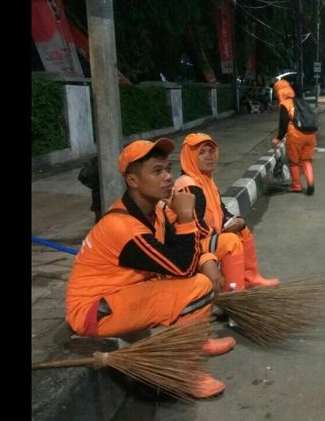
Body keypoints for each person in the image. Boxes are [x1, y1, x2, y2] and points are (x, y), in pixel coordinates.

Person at [65, 138, 232, 399]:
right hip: (93, 311)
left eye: (167, 169)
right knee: (197, 287)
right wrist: (187, 218)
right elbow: (182, 267)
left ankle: (196, 342)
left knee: (200, 275)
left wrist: (206, 259)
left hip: (120, 294)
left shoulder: (157, 212)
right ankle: (185, 375)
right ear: (133, 181)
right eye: (157, 171)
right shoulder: (123, 227)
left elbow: (184, 252)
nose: (168, 178)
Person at [175, 133, 279, 289]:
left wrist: (236, 221)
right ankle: (234, 292)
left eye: (211, 151)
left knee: (242, 230)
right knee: (230, 241)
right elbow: (195, 226)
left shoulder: (205, 180)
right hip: (190, 244)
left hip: (205, 236)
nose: (209, 156)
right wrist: (219, 234)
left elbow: (220, 210)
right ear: (189, 157)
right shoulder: (188, 186)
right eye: (202, 153)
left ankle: (251, 278)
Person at [271, 76, 316, 195]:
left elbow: (283, 123)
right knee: (307, 160)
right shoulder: (301, 101)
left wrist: (278, 138)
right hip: (311, 134)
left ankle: (296, 185)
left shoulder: (285, 104)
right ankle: (310, 183)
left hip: (296, 136)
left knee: (294, 161)